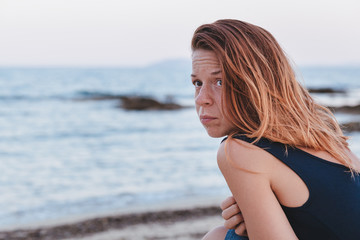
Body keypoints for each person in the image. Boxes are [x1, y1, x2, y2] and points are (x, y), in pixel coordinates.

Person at [190, 19, 360, 240]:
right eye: (197, 83)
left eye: (220, 81)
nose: (202, 99)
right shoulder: (327, 139)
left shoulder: (238, 151)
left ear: (255, 82)